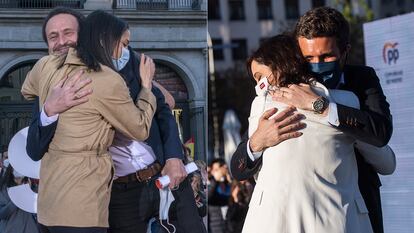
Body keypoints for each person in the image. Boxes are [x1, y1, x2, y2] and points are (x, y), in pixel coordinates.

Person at [25, 8, 205, 233]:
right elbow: (34, 147)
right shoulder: (50, 80)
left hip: (163, 174)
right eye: (53, 37)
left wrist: (173, 157)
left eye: (68, 33)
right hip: (117, 193)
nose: (62, 42)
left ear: (88, 35)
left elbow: (165, 107)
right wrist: (50, 108)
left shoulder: (131, 62)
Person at [230, 7, 392, 233]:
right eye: (309, 58)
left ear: (345, 51)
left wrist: (322, 107)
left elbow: (381, 133)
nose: (318, 63)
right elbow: (239, 168)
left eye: (327, 56)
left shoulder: (360, 83)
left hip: (352, 205)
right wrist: (257, 143)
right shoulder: (268, 101)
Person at [0, 161, 41, 233]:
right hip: (11, 229)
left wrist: (31, 190)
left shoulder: (32, 186)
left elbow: (37, 207)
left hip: (30, 228)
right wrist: (17, 198)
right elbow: (2, 214)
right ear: (11, 169)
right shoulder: (4, 189)